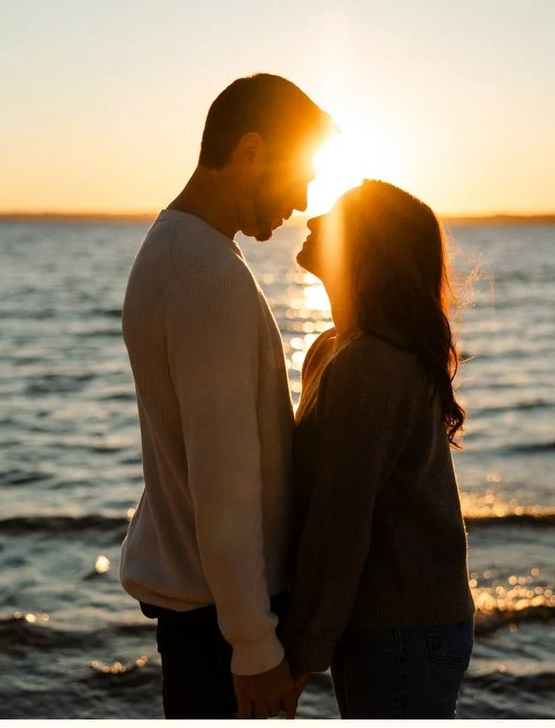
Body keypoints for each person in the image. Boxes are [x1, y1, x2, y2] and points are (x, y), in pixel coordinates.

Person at [119, 73, 331, 718]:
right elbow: (223, 476)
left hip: (208, 617)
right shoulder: (202, 275)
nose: (300, 200)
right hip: (216, 630)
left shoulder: (188, 253)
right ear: (250, 151)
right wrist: (253, 644)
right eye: (298, 177)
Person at [275, 180, 477, 717]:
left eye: (337, 217)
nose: (315, 220)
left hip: (405, 629)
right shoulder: (332, 348)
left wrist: (300, 654)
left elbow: (340, 518)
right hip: (385, 625)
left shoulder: (373, 363)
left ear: (364, 248)